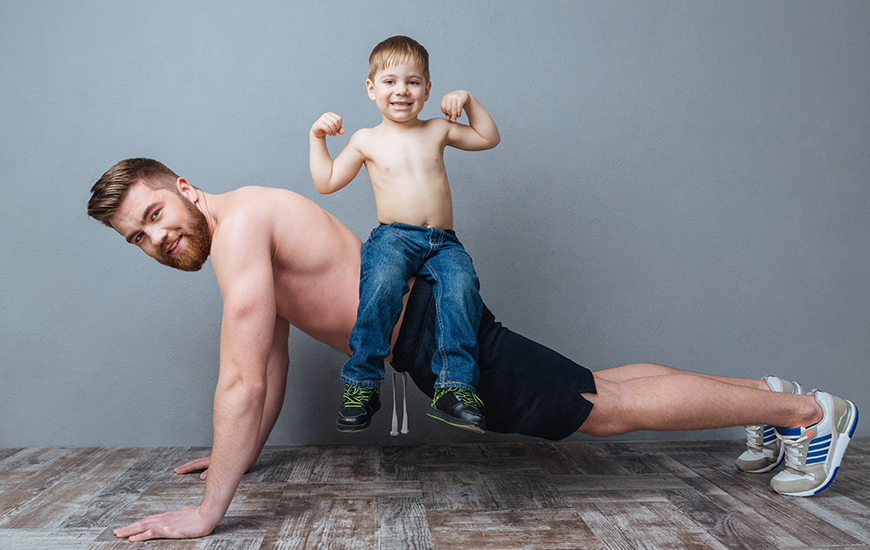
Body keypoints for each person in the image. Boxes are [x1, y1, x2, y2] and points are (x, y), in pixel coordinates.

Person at [87, 158, 858, 542]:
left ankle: (809, 411)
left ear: (184, 186)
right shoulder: (247, 228)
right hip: (429, 321)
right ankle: (771, 395)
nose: (156, 239)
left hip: (432, 331)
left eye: (155, 214)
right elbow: (274, 359)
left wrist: (206, 510)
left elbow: (240, 378)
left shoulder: (240, 230)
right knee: (597, 386)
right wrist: (241, 458)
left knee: (603, 410)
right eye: (138, 238)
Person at [310, 35, 500, 434]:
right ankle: (362, 384)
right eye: (390, 81)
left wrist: (468, 99)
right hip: (395, 237)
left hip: (443, 242)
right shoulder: (366, 140)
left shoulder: (437, 129)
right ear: (371, 88)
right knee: (380, 285)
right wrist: (318, 138)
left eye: (413, 82)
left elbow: (488, 138)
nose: (402, 90)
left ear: (428, 90)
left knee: (463, 287)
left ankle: (453, 387)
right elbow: (326, 181)